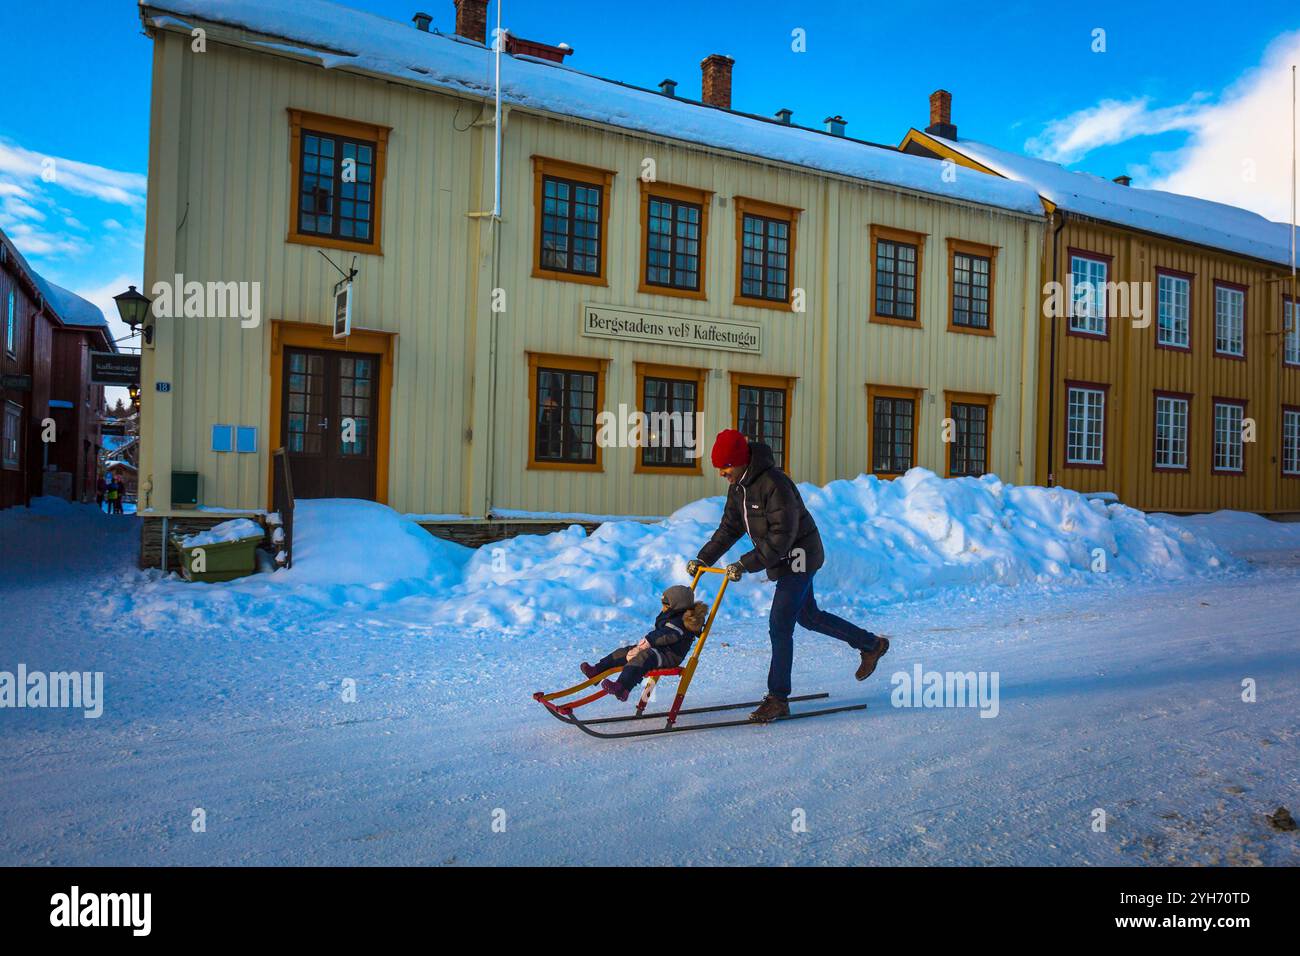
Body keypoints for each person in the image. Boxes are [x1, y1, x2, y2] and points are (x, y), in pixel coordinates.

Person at [688, 429, 891, 723]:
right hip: (780, 557)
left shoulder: (774, 484)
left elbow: (782, 536)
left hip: (800, 556)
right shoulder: (739, 488)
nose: (722, 473)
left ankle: (778, 698)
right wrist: (704, 557)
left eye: (726, 466)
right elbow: (730, 528)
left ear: (741, 461)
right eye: (719, 467)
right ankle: (872, 645)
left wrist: (746, 564)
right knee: (809, 617)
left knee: (780, 624)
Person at [580, 585, 708, 702]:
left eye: (665, 605)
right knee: (624, 651)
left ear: (675, 606)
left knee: (642, 658)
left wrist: (648, 642)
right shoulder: (672, 614)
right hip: (659, 649)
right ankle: (597, 670)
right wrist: (643, 646)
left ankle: (623, 687)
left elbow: (666, 635)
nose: (662, 608)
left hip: (669, 656)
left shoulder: (681, 622)